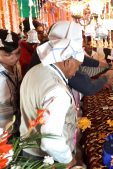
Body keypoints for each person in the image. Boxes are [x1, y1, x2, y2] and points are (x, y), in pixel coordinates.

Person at [19, 21, 86, 167]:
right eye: (77, 65)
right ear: (67, 61)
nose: (76, 71)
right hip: (47, 159)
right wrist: (69, 159)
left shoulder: (35, 70)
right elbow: (51, 141)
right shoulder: (57, 91)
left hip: (28, 149)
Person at [0, 29, 21, 133]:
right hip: (2, 129)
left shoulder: (16, 65)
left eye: (18, 53)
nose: (15, 58)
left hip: (16, 122)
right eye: (8, 55)